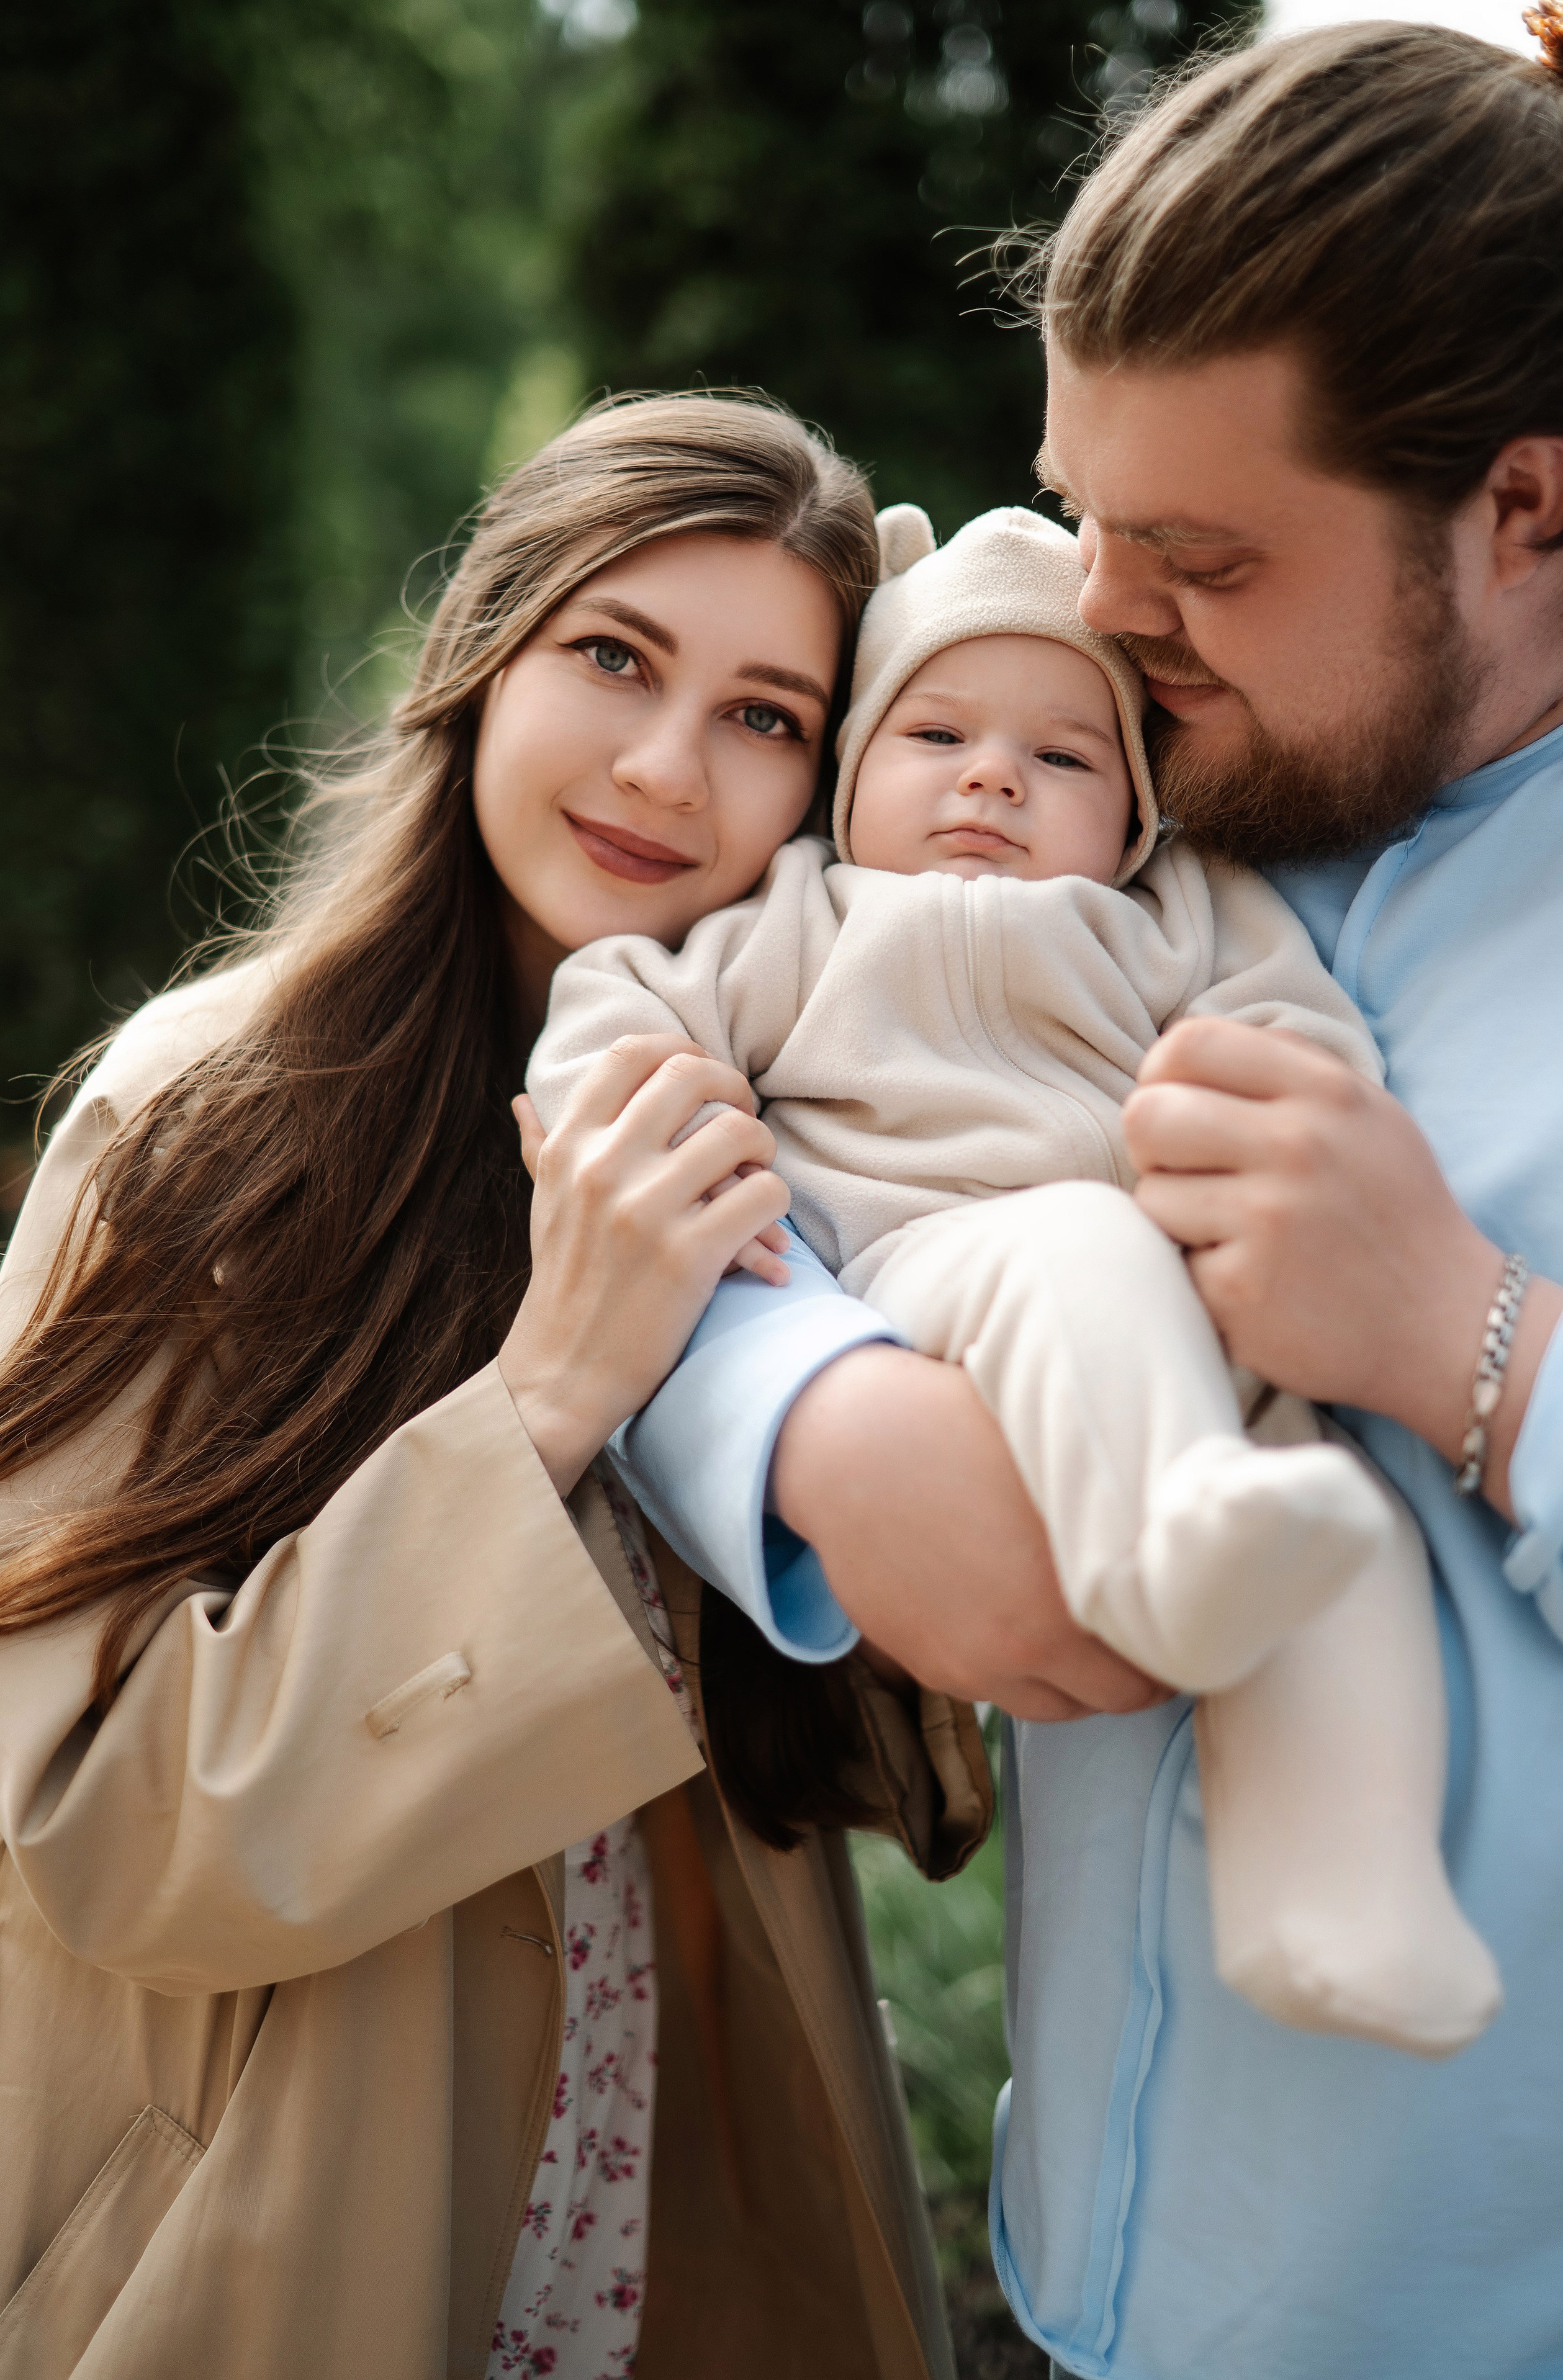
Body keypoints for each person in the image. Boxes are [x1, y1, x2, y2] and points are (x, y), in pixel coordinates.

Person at [615, 19, 1563, 2379]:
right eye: (1087, 513)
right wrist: (794, 1411)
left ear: (1530, 512)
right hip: (1082, 2276)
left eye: (1208, 557)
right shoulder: (1135, 801)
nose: (1109, 619)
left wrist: (1473, 1339)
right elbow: (716, 1136)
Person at [0, 392, 999, 2380]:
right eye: (612, 656)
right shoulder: (207, 1121)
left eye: (766, 715)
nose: (662, 766)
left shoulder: (794, 1151)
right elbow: (84, 1818)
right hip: (272, 2240)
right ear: (480, 653)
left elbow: (882, 1753)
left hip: (673, 2233)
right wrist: (545, 1396)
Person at [530, 495, 1501, 2059]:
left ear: (1132, 820)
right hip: (928, 1271)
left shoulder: (1178, 913)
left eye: (1063, 757)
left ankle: (1329, 1886)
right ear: (850, 785)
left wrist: (1267, 1121)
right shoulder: (805, 916)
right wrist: (652, 1136)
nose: (992, 775)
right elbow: (615, 1015)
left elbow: (1300, 1038)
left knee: (1349, 1538)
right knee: (1076, 1253)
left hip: (1191, 1307)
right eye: (935, 735)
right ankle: (1170, 1539)